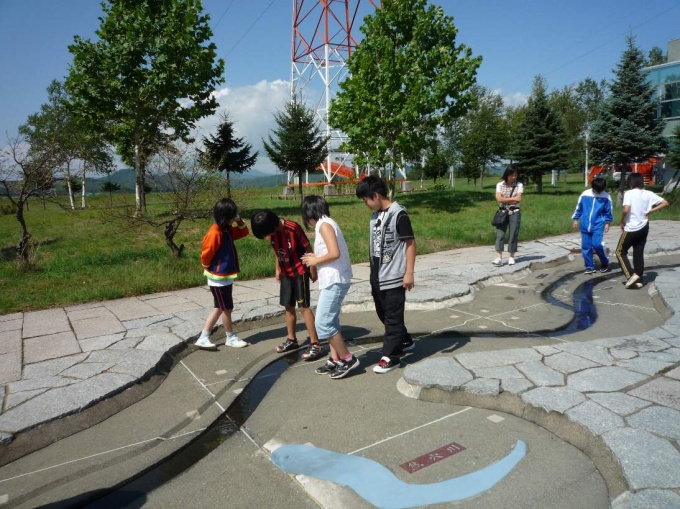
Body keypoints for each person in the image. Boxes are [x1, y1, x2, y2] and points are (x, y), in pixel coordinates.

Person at [355, 175, 416, 374]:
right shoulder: (375, 217)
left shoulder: (399, 214)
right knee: (383, 313)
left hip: (395, 277)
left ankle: (391, 356)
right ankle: (404, 339)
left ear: (376, 195)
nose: (365, 204)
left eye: (365, 200)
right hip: (378, 277)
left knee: (393, 318)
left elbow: (410, 243)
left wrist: (409, 273)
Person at [250, 209, 324, 361]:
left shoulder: (292, 228)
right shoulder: (272, 234)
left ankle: (315, 343)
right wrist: (278, 269)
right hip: (286, 273)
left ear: (273, 225)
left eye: (265, 233)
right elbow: (277, 252)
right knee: (288, 306)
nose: (267, 237)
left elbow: (307, 247)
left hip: (299, 272)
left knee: (303, 307)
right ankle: (291, 340)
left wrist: (312, 269)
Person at [300, 195, 360, 379]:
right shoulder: (325, 223)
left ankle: (347, 358)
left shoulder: (324, 225)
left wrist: (314, 260)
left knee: (323, 323)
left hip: (336, 279)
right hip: (332, 279)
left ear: (309, 214)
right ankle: (336, 359)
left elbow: (334, 252)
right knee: (331, 321)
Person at [195, 198, 249, 349]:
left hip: (224, 277)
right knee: (226, 308)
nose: (234, 220)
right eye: (232, 217)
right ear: (225, 217)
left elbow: (244, 231)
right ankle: (230, 337)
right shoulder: (215, 233)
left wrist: (239, 220)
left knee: (220, 307)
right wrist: (207, 267)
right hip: (218, 278)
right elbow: (206, 254)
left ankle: (204, 337)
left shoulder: (226, 230)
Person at [615, 172, 669, 289]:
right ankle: (639, 278)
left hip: (631, 227)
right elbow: (665, 202)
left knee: (620, 252)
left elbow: (626, 209)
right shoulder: (648, 193)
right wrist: (650, 211)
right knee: (638, 252)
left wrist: (622, 221)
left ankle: (631, 277)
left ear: (630, 182)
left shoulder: (629, 193)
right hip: (644, 226)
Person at [571, 176, 613, 274]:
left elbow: (608, 211)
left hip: (598, 224)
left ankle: (604, 262)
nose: (598, 192)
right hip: (585, 224)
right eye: (596, 190)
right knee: (585, 247)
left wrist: (608, 222)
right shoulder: (585, 194)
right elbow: (579, 207)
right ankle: (589, 266)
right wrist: (576, 219)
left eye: (600, 190)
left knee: (597, 245)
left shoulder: (606, 196)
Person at [493, 165, 523, 266]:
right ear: (507, 175)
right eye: (512, 175)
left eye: (515, 175)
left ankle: (511, 257)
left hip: (515, 212)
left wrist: (504, 199)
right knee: (500, 235)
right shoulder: (500, 185)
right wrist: (511, 199)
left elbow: (518, 199)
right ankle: (499, 257)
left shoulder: (519, 185)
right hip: (502, 212)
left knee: (513, 234)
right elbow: (498, 199)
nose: (514, 177)